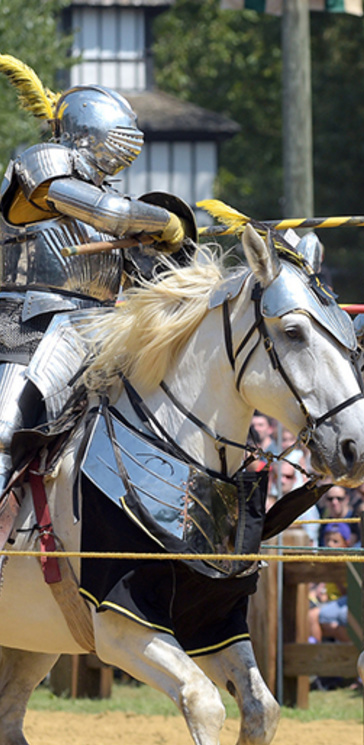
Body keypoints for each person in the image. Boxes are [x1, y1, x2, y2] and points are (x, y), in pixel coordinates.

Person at [0, 57, 195, 491]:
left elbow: (148, 277)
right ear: (88, 128)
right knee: (2, 430)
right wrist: (162, 222)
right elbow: (112, 215)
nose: (132, 140)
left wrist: (171, 245)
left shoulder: (104, 199)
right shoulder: (42, 165)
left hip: (100, 332)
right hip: (30, 329)